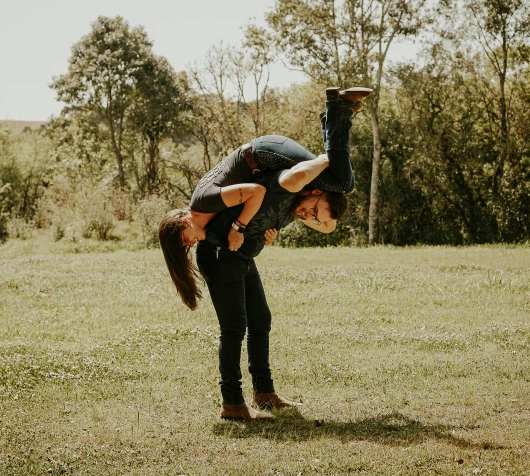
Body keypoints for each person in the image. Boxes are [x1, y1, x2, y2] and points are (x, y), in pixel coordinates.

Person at [159, 87, 373, 421]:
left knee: (261, 321)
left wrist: (255, 235)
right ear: (314, 191)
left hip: (240, 255)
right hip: (220, 254)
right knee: (235, 328)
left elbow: (325, 223)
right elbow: (258, 193)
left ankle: (264, 392)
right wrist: (241, 228)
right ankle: (232, 403)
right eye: (313, 211)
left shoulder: (291, 200)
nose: (309, 217)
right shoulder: (279, 186)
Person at [159, 87, 372, 311]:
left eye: (185, 240)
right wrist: (263, 231)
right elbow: (324, 226)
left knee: (343, 183)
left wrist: (238, 227)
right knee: (340, 181)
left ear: (183, 223)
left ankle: (338, 112)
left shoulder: (204, 202)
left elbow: (257, 192)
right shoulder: (206, 214)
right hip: (265, 160)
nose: (190, 244)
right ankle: (335, 115)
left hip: (263, 155)